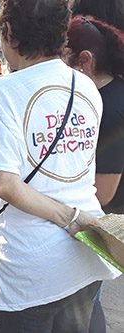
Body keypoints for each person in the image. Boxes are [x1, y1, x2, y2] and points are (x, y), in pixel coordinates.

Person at [0, 1, 121, 331]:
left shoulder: (3, 92)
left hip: (29, 264)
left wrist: (68, 217)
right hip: (86, 252)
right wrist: (77, 218)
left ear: (9, 33)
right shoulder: (87, 87)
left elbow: (4, 183)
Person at [64, 15, 124, 333]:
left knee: (87, 304)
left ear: (84, 61)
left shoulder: (109, 106)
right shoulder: (105, 93)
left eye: (58, 62)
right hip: (97, 224)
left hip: (103, 225)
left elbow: (105, 193)